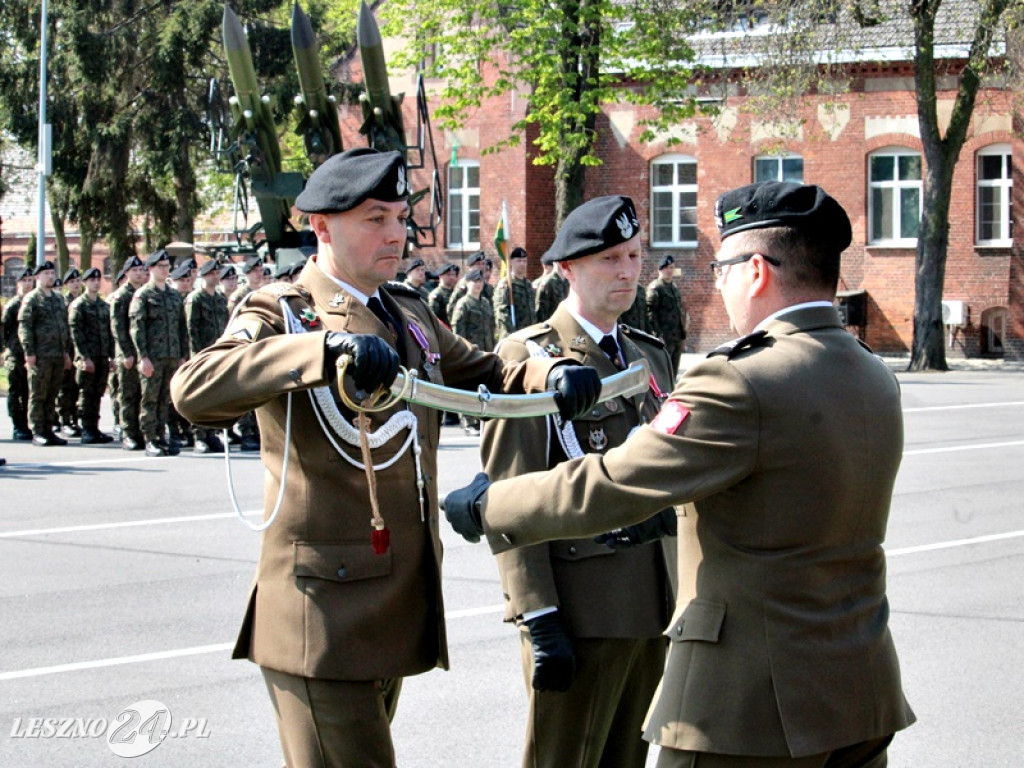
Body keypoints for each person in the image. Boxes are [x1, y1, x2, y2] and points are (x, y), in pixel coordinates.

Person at [445, 181, 916, 768]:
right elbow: (775, 493)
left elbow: (619, 480)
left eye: (722, 269)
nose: (718, 284)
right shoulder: (872, 373)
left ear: (757, 273)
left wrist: (488, 507)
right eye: (609, 258)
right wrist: (537, 611)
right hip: (860, 686)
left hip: (751, 704)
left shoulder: (738, 377)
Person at [171, 148, 600, 768]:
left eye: (401, 217)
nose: (396, 233)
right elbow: (194, 388)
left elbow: (488, 373)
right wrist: (321, 351)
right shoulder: (282, 310)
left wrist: (551, 372)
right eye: (376, 218)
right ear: (321, 226)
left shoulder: (409, 312)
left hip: (390, 602)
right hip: (322, 613)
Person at [482, 195, 676, 768]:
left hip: (652, 605)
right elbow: (508, 492)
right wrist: (537, 615)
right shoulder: (531, 358)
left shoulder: (648, 355)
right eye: (609, 259)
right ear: (567, 268)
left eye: (634, 256)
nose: (626, 271)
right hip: (580, 611)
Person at [129, 249, 187, 457]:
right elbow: (137, 329)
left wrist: (182, 356)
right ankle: (150, 438)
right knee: (150, 399)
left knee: (165, 400)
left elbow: (182, 328)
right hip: (153, 357)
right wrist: (143, 357)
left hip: (171, 356)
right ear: (151, 269)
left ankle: (162, 436)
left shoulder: (173, 295)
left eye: (166, 266)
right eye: (160, 267)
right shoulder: (143, 295)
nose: (164, 270)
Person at [18, 261, 72, 446]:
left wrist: (65, 352)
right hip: (40, 355)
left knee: (52, 394)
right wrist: (29, 352)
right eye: (46, 273)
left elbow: (63, 327)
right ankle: (38, 431)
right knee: (38, 394)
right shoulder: (32, 299)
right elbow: (25, 327)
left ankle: (49, 429)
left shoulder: (58, 299)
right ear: (37, 277)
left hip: (57, 354)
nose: (50, 276)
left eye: (52, 273)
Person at [184, 260, 229, 454]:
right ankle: (199, 436)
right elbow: (190, 329)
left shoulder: (219, 298)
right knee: (200, 396)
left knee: (215, 396)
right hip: (202, 354)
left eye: (217, 273)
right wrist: (196, 356)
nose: (216, 276)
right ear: (203, 276)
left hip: (218, 354)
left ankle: (212, 433)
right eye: (212, 273)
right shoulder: (195, 299)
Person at [68, 267, 115, 444]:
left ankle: (94, 428)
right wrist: (84, 357)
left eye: (98, 280)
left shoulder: (104, 306)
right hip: (88, 357)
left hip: (101, 356)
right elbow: (76, 334)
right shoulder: (79, 305)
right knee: (86, 394)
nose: (96, 283)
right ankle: (87, 429)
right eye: (92, 280)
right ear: (85, 283)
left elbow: (109, 333)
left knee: (97, 393)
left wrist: (111, 356)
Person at [451, 268, 496, 435]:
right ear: (467, 283)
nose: (478, 284)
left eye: (480, 281)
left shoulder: (485, 303)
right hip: (469, 351)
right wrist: (461, 351)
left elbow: (491, 327)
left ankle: (480, 418)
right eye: (474, 281)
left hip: (485, 350)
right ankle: (468, 421)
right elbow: (458, 330)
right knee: (468, 386)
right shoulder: (463, 304)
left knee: (483, 385)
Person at [110, 256, 147, 451]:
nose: (139, 274)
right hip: (128, 354)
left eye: (141, 270)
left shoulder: (144, 293)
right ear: (126, 273)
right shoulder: (121, 296)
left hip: (143, 353)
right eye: (135, 271)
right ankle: (128, 434)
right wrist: (126, 353)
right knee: (128, 394)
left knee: (143, 394)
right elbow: (118, 327)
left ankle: (141, 431)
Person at [3, 266, 37, 441]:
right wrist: (8, 350)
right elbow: (5, 330)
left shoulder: (34, 303)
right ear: (18, 283)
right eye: (25, 280)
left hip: (31, 354)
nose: (28, 284)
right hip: (16, 355)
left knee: (29, 391)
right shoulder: (13, 305)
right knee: (16, 392)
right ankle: (18, 425)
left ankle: (27, 424)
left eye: (30, 280)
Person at [646, 254, 686, 377]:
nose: (669, 271)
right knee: (663, 372)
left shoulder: (674, 287)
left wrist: (683, 334)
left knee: (673, 373)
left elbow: (680, 311)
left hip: (676, 337)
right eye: (666, 268)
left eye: (672, 268)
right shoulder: (656, 288)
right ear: (660, 270)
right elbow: (650, 313)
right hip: (664, 337)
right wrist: (657, 335)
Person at [57, 266, 84, 437]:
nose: (75, 284)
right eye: (72, 281)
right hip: (67, 350)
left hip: (79, 350)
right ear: (66, 284)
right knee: (65, 387)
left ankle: (75, 420)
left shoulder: (82, 301)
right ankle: (64, 420)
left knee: (76, 387)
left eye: (78, 281)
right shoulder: (62, 303)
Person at [493, 246, 537, 340]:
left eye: (524, 261)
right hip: (513, 335)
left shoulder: (528, 284)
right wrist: (510, 334)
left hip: (529, 333)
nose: (522, 264)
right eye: (519, 261)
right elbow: (501, 312)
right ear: (511, 262)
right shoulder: (506, 284)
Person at [427, 262, 459, 327]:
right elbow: (434, 317)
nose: (451, 277)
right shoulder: (436, 295)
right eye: (448, 275)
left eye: (453, 274)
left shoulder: (457, 292)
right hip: (445, 329)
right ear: (440, 276)